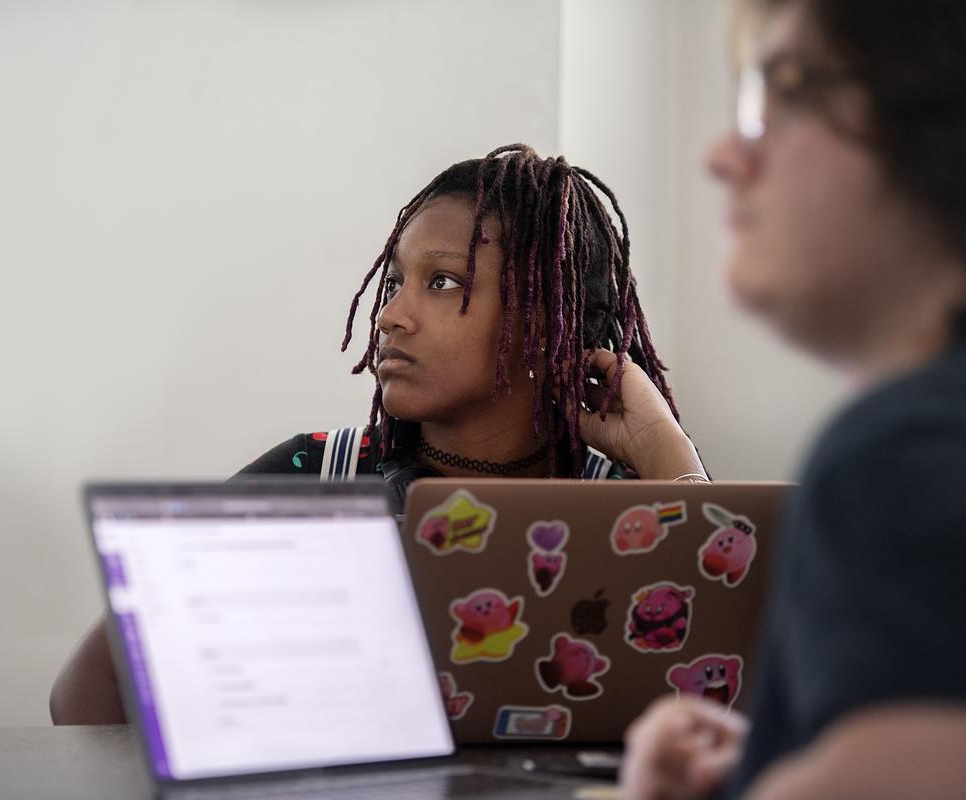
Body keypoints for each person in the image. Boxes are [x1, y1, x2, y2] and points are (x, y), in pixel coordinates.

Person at [49, 144, 707, 725]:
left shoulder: (631, 512)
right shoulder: (316, 476)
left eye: (440, 282)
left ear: (543, 319)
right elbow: (88, 693)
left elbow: (732, 699)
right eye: (394, 281)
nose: (390, 315)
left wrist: (665, 449)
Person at [620, 2, 966, 798]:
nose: (724, 156)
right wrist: (782, 763)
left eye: (784, 91)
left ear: (949, 112)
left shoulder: (911, 451)